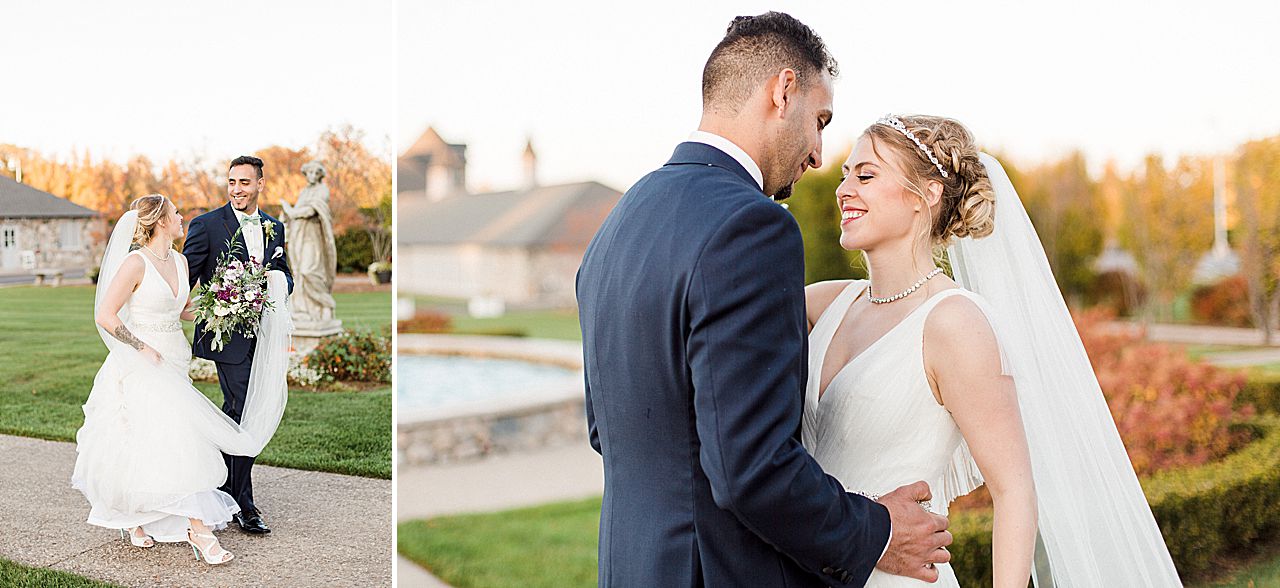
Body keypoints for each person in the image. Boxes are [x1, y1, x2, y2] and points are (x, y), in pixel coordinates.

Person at [576, 13, 950, 587]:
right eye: (820, 121)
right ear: (783, 91)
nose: (819, 155)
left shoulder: (621, 222)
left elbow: (608, 428)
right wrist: (874, 532)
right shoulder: (752, 227)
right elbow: (748, 468)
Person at [804, 114, 1182, 586]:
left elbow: (1015, 491)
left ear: (927, 195)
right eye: (845, 176)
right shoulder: (826, 303)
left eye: (866, 175)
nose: (844, 190)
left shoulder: (954, 323)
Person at [73, 194, 291, 565]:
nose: (181, 217)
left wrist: (226, 305)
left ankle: (135, 516)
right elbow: (106, 316)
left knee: (152, 443)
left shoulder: (178, 260)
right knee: (178, 440)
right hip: (142, 361)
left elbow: (184, 309)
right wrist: (141, 348)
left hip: (174, 358)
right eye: (175, 213)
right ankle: (198, 530)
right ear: (160, 221)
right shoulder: (134, 264)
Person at [183, 155, 293, 535]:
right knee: (246, 408)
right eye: (231, 182)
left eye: (244, 182)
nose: (236, 189)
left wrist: (273, 283)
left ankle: (222, 485)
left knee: (239, 412)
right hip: (226, 335)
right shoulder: (207, 225)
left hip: (264, 335)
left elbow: (286, 275)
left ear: (260, 184)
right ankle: (243, 503)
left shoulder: (273, 227)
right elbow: (185, 278)